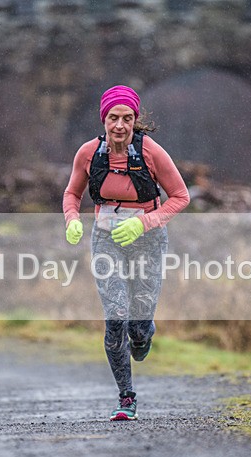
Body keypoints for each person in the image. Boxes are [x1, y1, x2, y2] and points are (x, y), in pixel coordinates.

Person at [62, 85, 190, 421]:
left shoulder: (151, 152)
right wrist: (72, 220)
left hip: (148, 240)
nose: (120, 125)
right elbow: (72, 194)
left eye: (127, 118)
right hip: (106, 239)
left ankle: (144, 334)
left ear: (135, 120)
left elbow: (180, 196)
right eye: (114, 118)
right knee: (116, 316)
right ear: (104, 119)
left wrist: (145, 223)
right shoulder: (89, 153)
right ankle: (126, 397)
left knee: (137, 323)